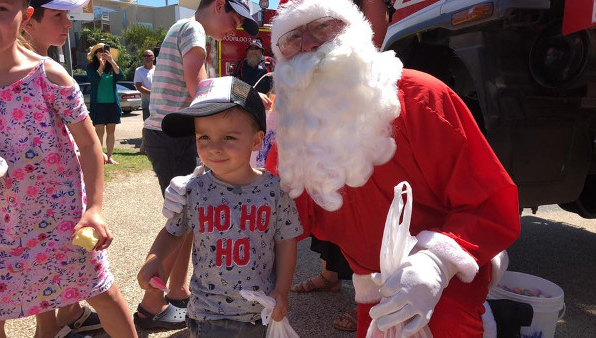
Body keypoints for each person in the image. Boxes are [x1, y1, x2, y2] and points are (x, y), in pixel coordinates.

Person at [164, 0, 521, 336]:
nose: (309, 46)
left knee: (448, 324)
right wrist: (206, 185)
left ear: (353, 32)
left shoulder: (422, 97)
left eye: (322, 30)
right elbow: (278, 208)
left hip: (447, 278)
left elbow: (490, 203)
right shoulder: (294, 129)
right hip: (372, 288)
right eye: (292, 41)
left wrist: (436, 264)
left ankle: (494, 319)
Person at [0, 1, 138, 337]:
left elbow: (89, 145)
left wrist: (95, 210)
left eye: (1, 7)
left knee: (101, 292)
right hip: (1, 226)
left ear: (25, 16)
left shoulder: (47, 75)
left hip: (60, 218)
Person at [137, 76, 302, 336]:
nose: (214, 148)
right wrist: (154, 258)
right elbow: (173, 231)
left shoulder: (275, 191)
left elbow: (286, 241)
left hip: (259, 313)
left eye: (228, 137)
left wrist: (281, 290)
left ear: (257, 141)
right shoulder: (193, 190)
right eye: (203, 136)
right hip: (206, 312)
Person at [135, 0, 261, 330]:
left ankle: (177, 290)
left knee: (188, 214)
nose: (234, 28)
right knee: (180, 216)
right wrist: (245, 106)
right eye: (234, 18)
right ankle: (150, 307)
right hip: (173, 134)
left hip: (169, 134)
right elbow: (200, 90)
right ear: (219, 5)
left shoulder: (185, 31)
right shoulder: (193, 30)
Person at [21, 0, 104, 335]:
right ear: (28, 21)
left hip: (54, 192)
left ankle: (64, 317)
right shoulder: (33, 70)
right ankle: (61, 319)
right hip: (35, 198)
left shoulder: (47, 66)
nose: (68, 24)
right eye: (58, 16)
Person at [86, 42, 124, 165]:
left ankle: (109, 157)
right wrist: (101, 67)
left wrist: (111, 61)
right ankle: (99, 157)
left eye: (104, 50)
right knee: (99, 131)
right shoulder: (91, 67)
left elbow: (120, 75)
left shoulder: (112, 66)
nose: (102, 52)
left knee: (111, 131)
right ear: (95, 54)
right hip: (99, 105)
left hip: (112, 104)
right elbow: (93, 79)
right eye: (100, 50)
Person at [133, 49, 155, 153]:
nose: (146, 57)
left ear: (153, 58)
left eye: (148, 55)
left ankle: (155, 146)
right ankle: (143, 146)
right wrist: (152, 93)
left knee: (159, 125)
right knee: (147, 124)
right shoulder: (139, 70)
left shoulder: (158, 70)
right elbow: (139, 86)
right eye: (144, 55)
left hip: (159, 103)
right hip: (147, 103)